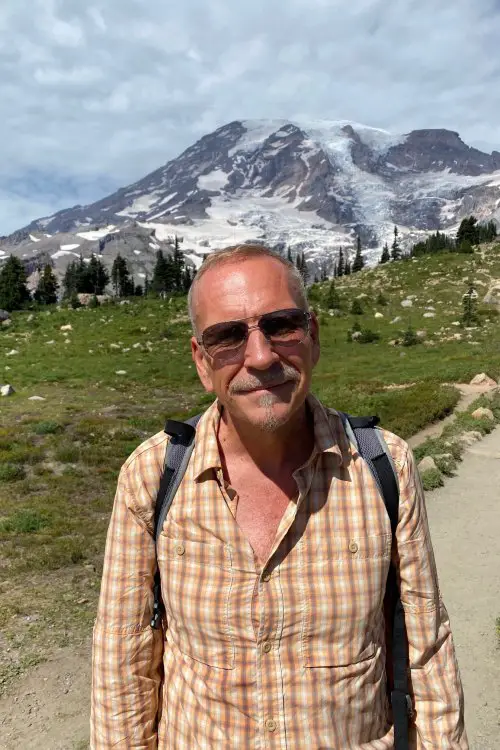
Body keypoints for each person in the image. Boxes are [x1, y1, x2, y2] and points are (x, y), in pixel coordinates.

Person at [91, 244, 468, 749]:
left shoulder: (385, 465)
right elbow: (123, 661)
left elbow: (427, 647)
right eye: (227, 337)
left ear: (312, 337)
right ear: (202, 362)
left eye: (281, 325)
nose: (261, 356)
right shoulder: (151, 475)